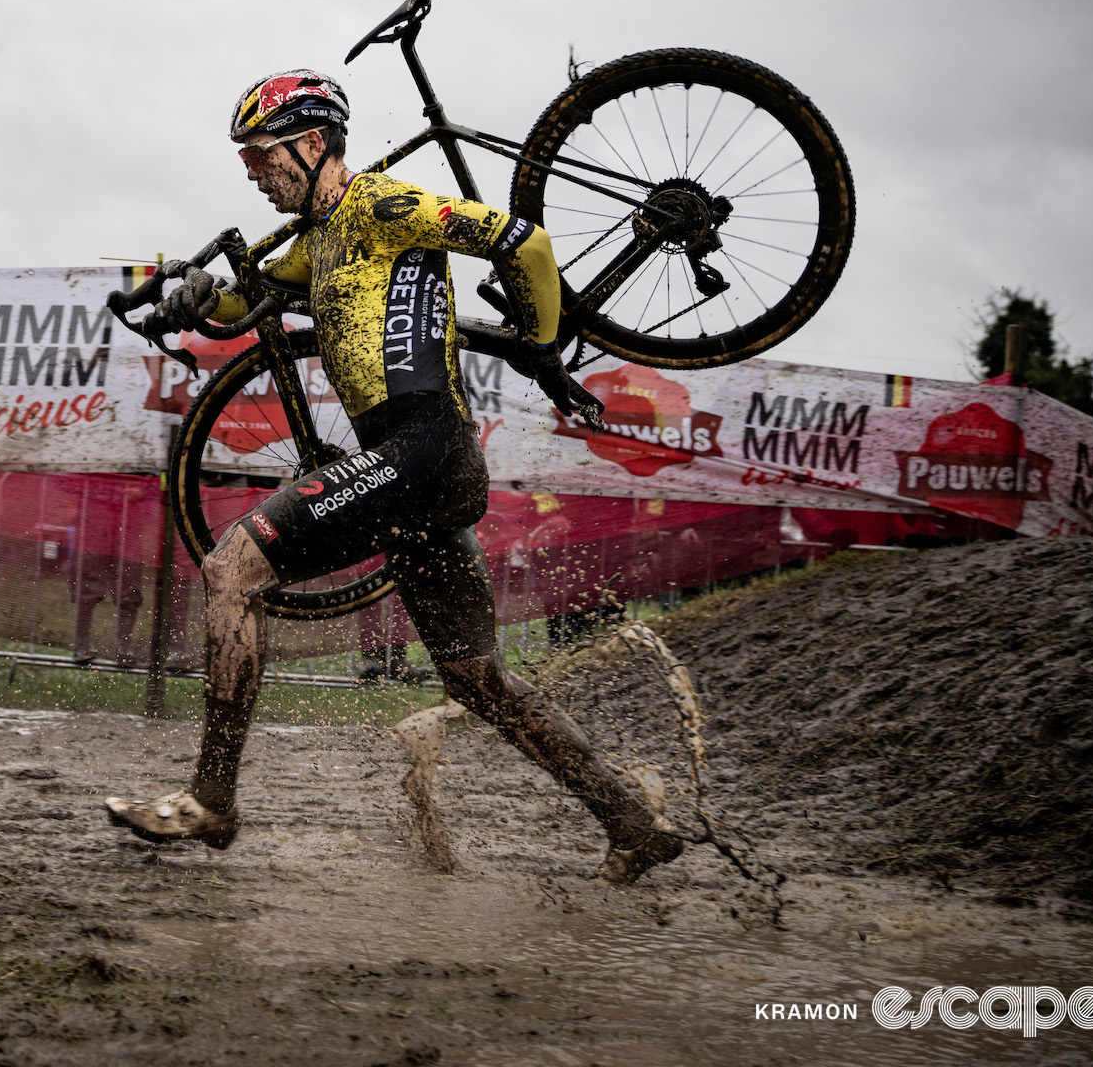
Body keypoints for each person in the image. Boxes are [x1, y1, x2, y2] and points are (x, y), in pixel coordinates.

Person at [104, 70, 682, 884]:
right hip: (422, 471)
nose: (251, 170)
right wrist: (190, 299)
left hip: (421, 451)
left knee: (232, 568)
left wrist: (544, 348)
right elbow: (244, 308)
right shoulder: (318, 241)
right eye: (244, 159)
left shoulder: (382, 205)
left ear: (313, 144)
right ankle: (631, 822)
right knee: (477, 678)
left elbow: (528, 245)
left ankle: (211, 797)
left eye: (262, 154)